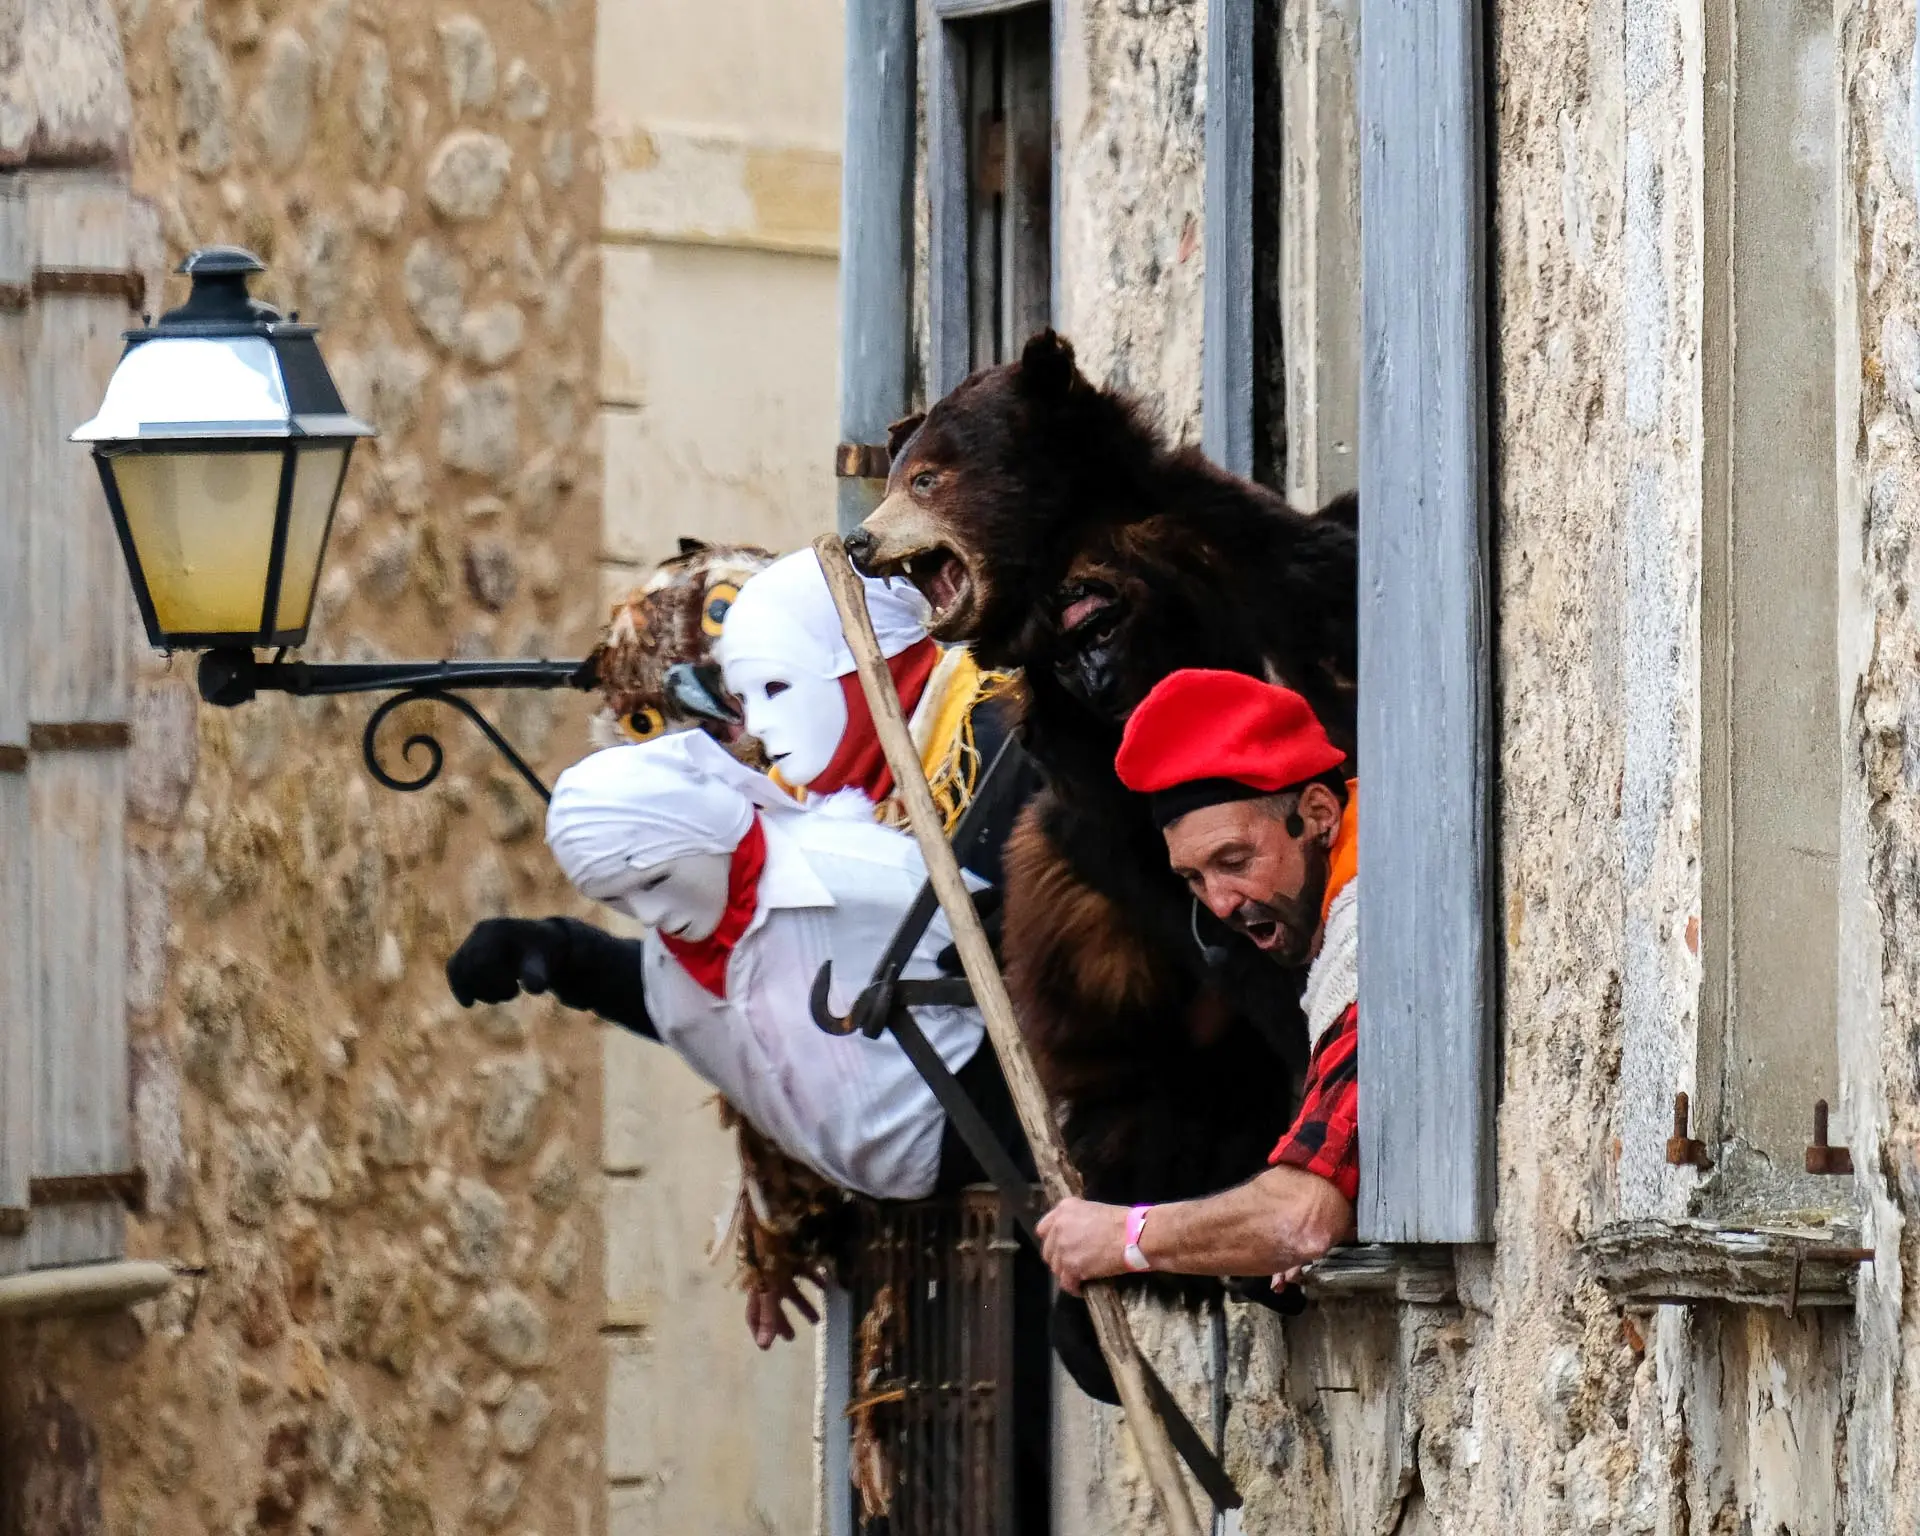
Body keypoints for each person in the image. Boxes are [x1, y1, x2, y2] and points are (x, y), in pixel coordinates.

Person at [445, 729, 1028, 1344]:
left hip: (1008, 1142)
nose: (653, 916)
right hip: (921, 1223)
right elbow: (678, 1010)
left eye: (653, 880)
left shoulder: (854, 874)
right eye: (617, 899)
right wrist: (556, 953)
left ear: (702, 829)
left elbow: (1021, 946)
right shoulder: (680, 967)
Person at [1035, 668, 1360, 1295]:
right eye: (1193, 879)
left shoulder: (1377, 937)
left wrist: (1125, 1238)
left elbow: (1301, 1216)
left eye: (1235, 863)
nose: (1218, 903)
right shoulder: (1338, 928)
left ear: (1317, 813)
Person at [713, 547, 1024, 882]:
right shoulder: (780, 805)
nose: (756, 725)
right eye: (742, 698)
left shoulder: (1008, 747)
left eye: (775, 687)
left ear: (871, 671)